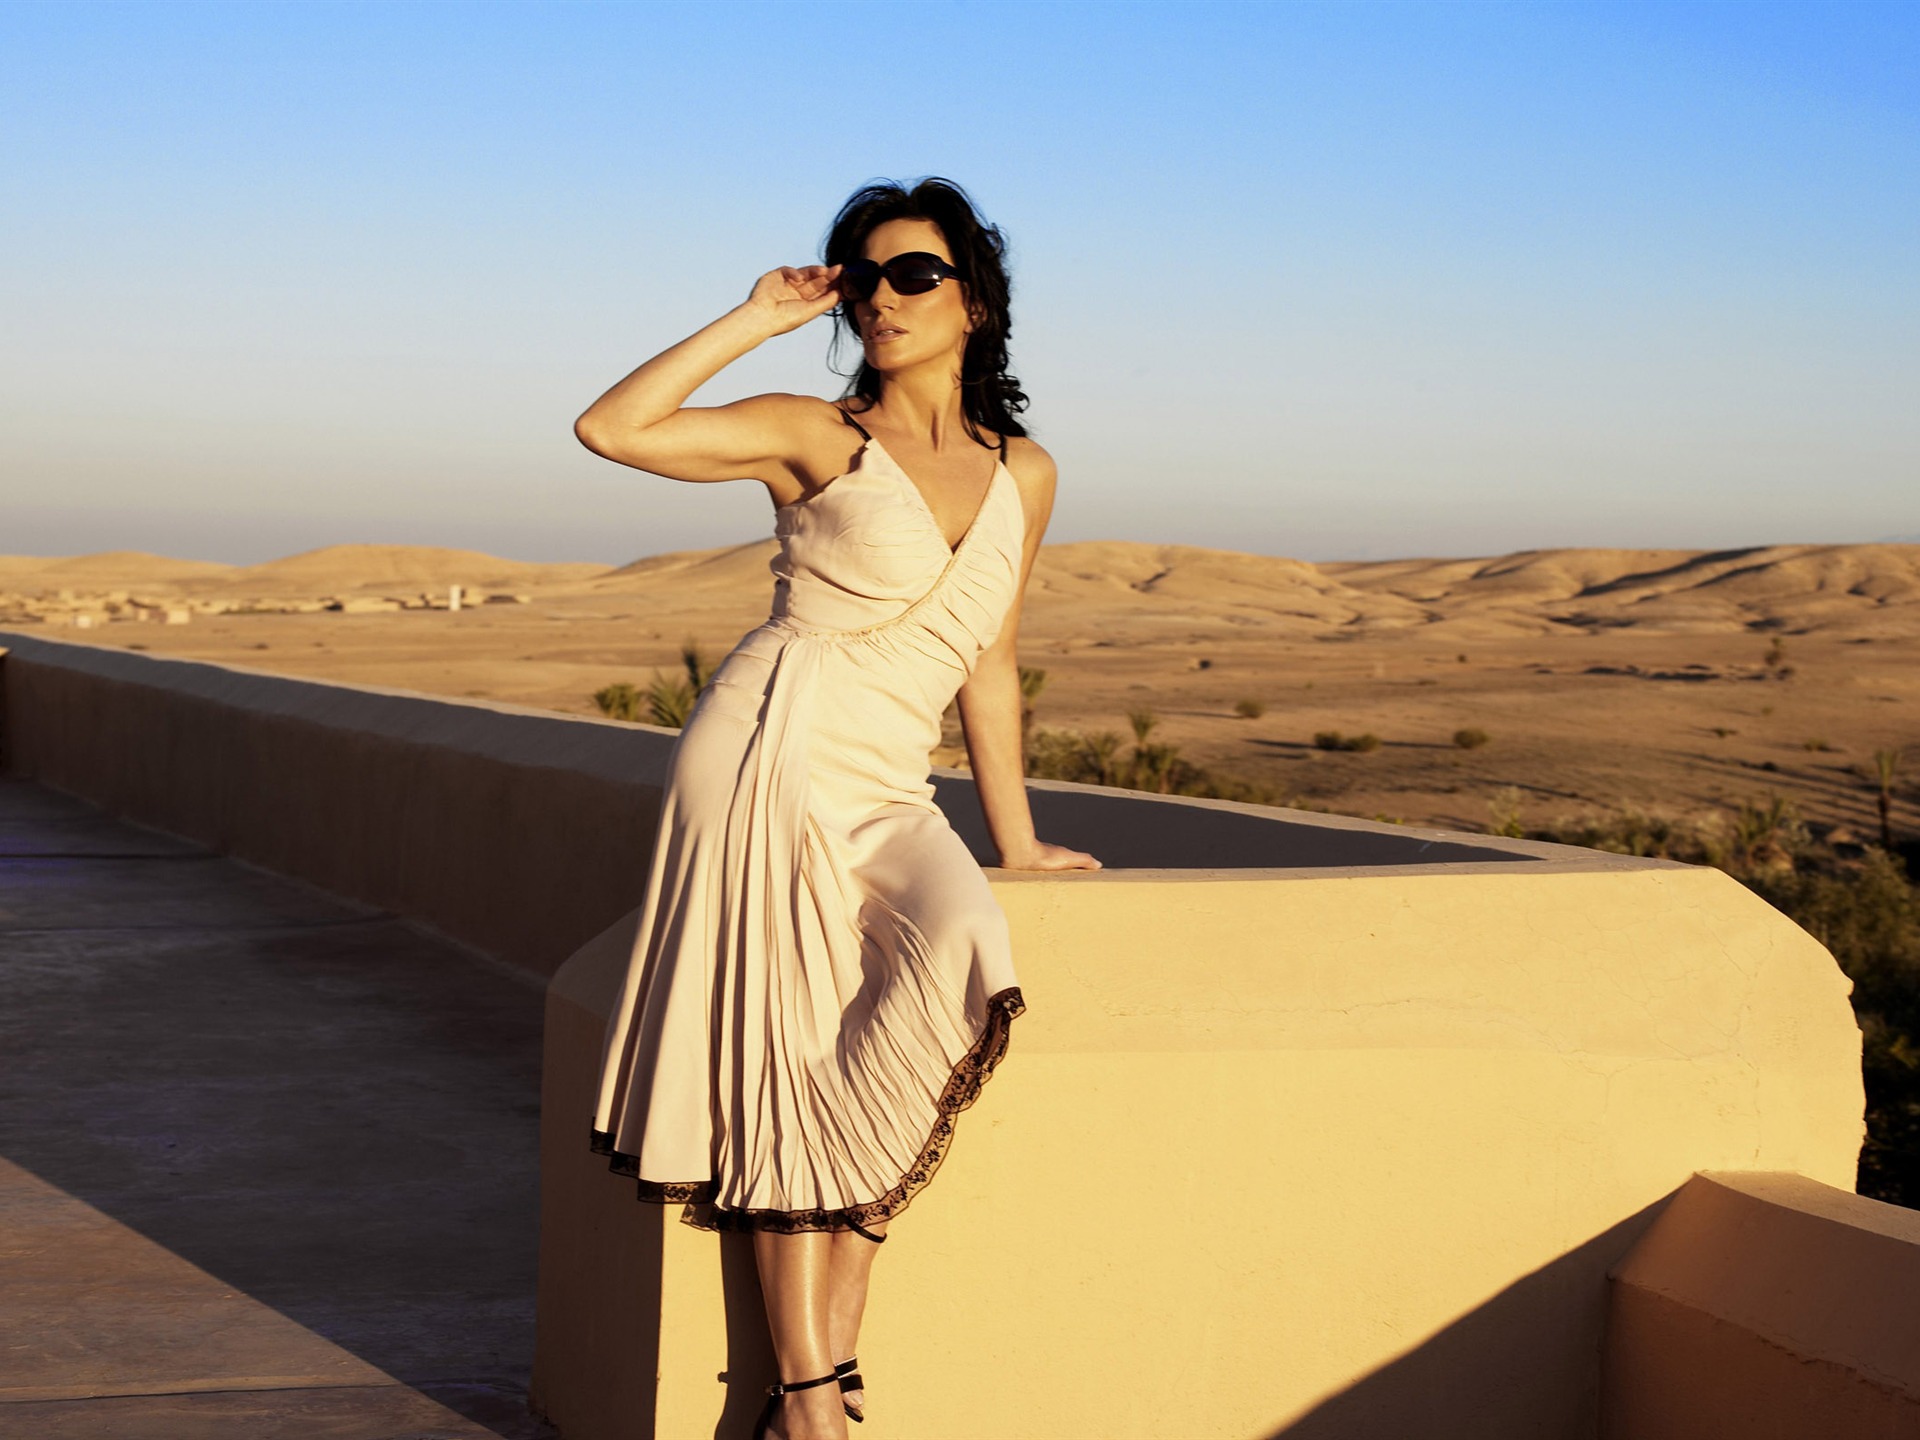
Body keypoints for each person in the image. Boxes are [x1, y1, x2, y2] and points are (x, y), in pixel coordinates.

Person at [573, 176, 1100, 1440]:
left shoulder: (1025, 471)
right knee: (785, 1066)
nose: (881, 298)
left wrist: (1016, 839)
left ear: (976, 301)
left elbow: (989, 658)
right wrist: (757, 316)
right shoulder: (814, 433)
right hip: (771, 752)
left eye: (914, 274)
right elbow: (611, 428)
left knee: (962, 947)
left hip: (892, 783)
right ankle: (811, 1397)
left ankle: (815, 1356)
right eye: (862, 278)